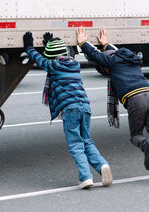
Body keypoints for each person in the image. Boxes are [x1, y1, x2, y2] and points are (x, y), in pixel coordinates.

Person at [77, 27, 149, 185]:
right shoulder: (134, 60)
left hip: (134, 99)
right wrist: (105, 44)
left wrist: (83, 43)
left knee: (136, 135)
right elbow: (116, 52)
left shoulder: (113, 62)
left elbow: (95, 55)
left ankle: (146, 144)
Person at [22, 31, 113, 189]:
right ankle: (102, 165)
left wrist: (29, 47)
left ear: (51, 57)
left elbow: (39, 59)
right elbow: (51, 56)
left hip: (70, 109)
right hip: (85, 106)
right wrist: (49, 45)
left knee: (75, 144)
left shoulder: (53, 66)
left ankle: (85, 177)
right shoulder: (74, 65)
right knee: (86, 141)